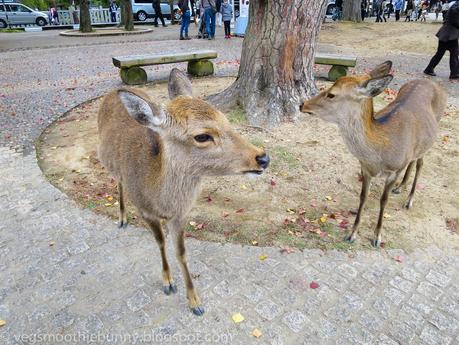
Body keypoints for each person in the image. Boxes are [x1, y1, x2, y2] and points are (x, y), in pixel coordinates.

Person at [424, 1, 459, 79]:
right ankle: (454, 73)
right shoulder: (455, 8)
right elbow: (455, 21)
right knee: (452, 53)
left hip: (449, 34)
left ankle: (454, 73)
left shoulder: (456, 6)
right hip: (448, 35)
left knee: (452, 53)